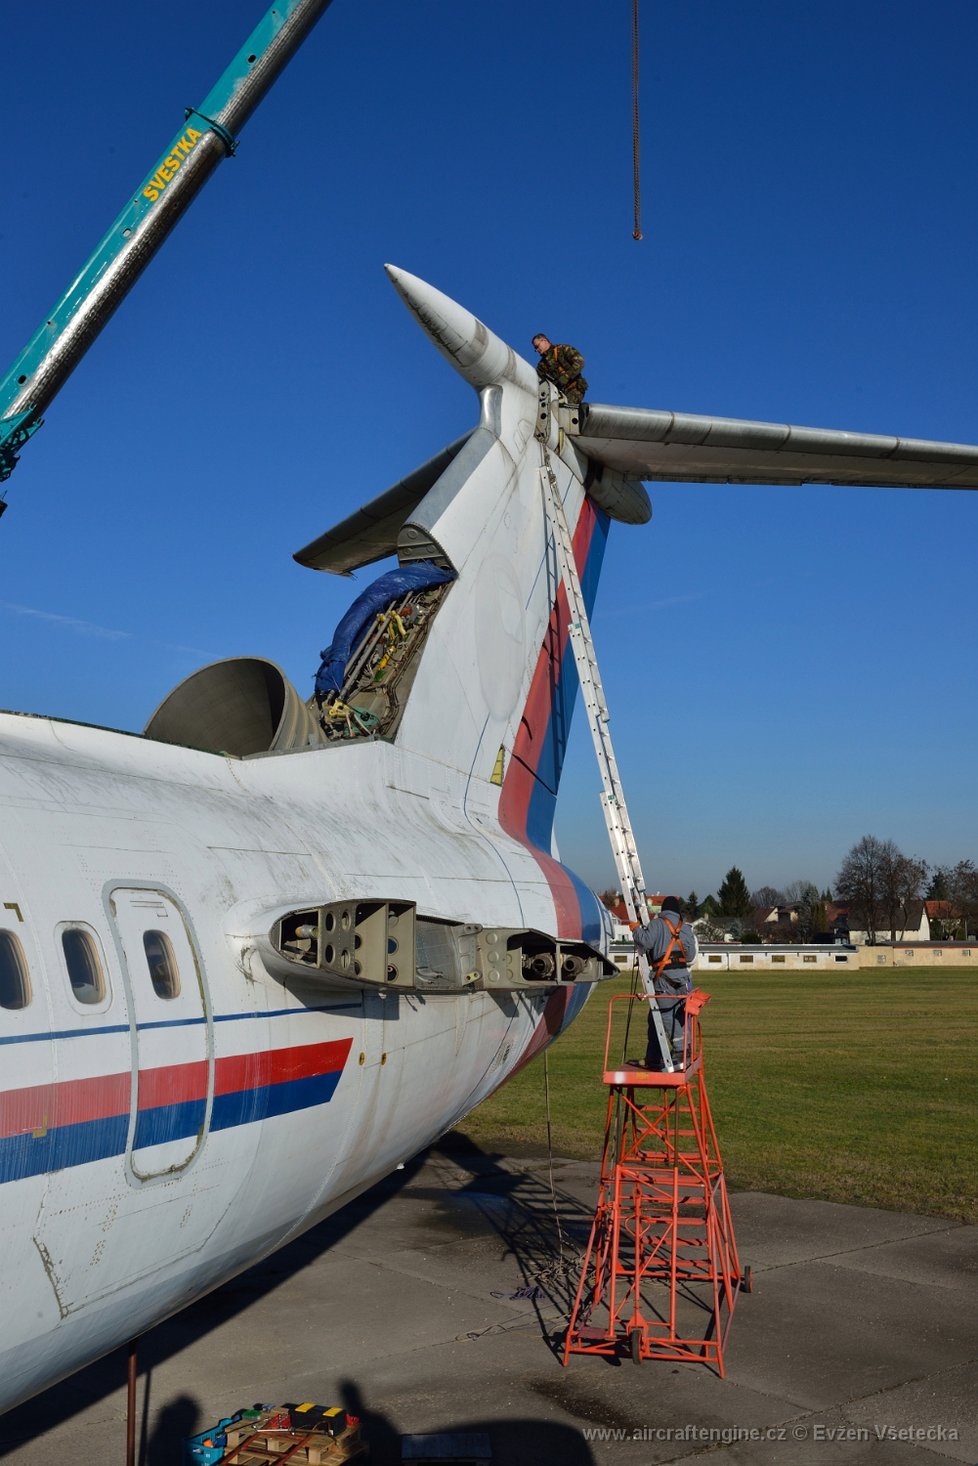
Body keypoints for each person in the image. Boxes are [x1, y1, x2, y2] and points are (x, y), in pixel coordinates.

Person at [633, 896, 698, 1069]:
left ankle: (681, 1050)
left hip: (663, 979)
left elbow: (645, 942)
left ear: (663, 909)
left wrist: (635, 929)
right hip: (683, 980)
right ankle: (653, 1056)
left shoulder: (657, 923)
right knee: (675, 1016)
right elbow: (690, 956)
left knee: (665, 1015)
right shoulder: (685, 928)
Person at [532, 333, 588, 405]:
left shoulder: (562, 349)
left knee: (566, 408)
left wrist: (566, 377)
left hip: (574, 387)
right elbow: (538, 380)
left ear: (544, 340)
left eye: (537, 346)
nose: (537, 350)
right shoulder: (542, 365)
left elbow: (580, 361)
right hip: (559, 393)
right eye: (535, 348)